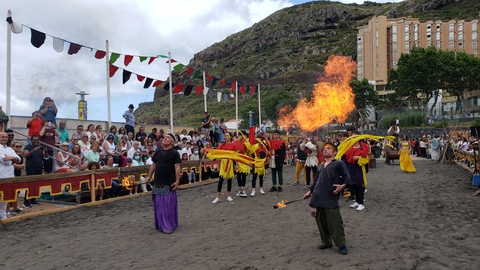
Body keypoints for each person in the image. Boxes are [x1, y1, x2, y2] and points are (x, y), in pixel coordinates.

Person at [303, 142, 351, 255]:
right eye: (324, 148)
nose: (325, 150)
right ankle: (326, 242)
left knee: (335, 223)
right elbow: (316, 182)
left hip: (330, 199)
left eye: (329, 148)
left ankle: (341, 244)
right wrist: (309, 192)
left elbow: (347, 179)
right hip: (317, 198)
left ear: (334, 152)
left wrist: (342, 187)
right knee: (321, 223)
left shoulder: (339, 164)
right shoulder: (320, 166)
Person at [145, 132, 181, 234]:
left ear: (173, 142)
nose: (165, 139)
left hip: (168, 180)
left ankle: (168, 224)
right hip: (158, 180)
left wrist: (177, 180)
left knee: (167, 204)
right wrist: (149, 176)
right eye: (164, 137)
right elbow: (153, 165)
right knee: (158, 203)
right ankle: (160, 224)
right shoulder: (158, 152)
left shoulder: (174, 153)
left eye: (168, 138)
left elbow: (177, 167)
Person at [343, 134, 370, 211]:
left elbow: (366, 158)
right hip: (351, 167)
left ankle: (361, 203)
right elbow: (346, 157)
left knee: (359, 185)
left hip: (359, 168)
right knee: (353, 184)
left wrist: (359, 157)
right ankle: (357, 202)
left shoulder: (363, 148)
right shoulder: (350, 148)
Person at [0, 132, 21, 224]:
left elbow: (19, 159)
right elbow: (4, 160)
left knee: (4, 197)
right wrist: (13, 159)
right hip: (1, 175)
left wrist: (11, 158)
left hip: (9, 175)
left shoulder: (9, 149)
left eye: (6, 137)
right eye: (2, 137)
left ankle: (3, 215)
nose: (5, 138)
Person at [212, 132, 235, 204]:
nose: (227, 137)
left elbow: (234, 155)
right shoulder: (222, 145)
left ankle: (228, 195)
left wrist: (235, 164)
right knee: (221, 180)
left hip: (230, 163)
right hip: (223, 163)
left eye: (228, 136)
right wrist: (214, 157)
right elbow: (218, 152)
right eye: (226, 136)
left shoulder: (232, 145)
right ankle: (218, 197)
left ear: (230, 137)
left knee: (229, 180)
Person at [23, 135, 44, 207]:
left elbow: (44, 156)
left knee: (36, 184)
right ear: (31, 140)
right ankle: (26, 201)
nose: (36, 141)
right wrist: (34, 150)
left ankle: (33, 199)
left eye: (37, 140)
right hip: (30, 167)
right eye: (34, 140)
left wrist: (46, 151)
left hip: (39, 167)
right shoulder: (28, 147)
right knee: (30, 184)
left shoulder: (40, 148)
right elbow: (25, 155)